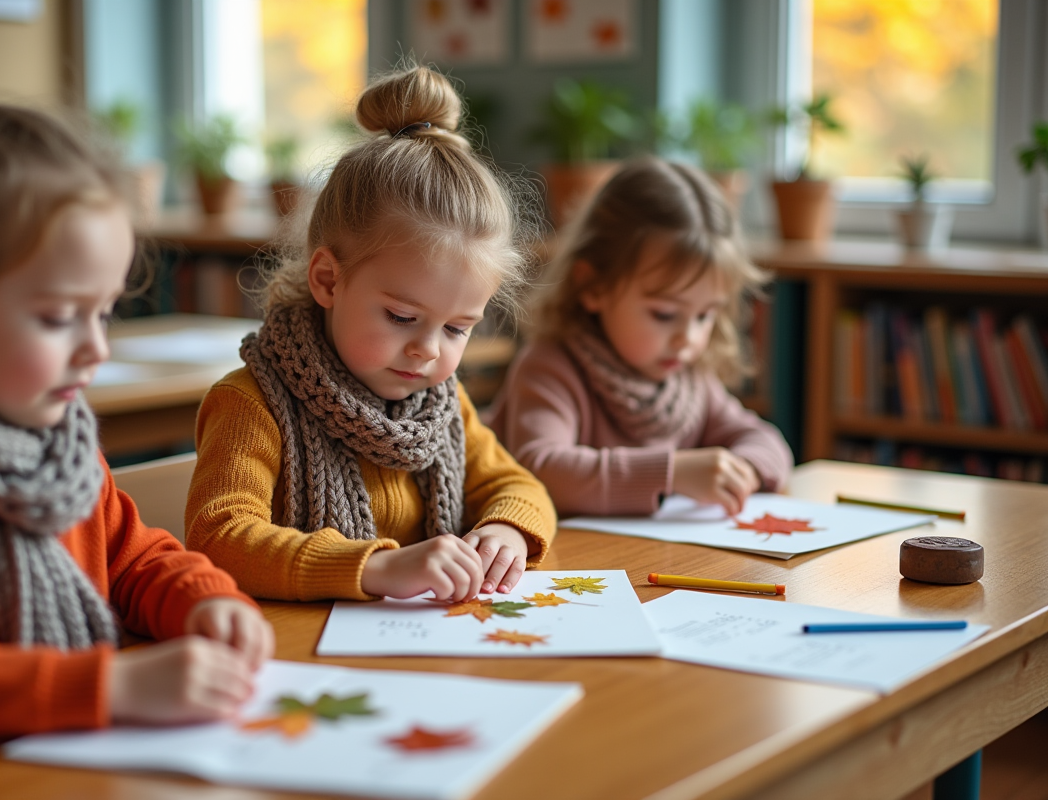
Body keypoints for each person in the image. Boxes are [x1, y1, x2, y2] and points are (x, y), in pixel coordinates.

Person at [0, 103, 273, 744]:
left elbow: (134, 561)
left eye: (103, 313)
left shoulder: (58, 447)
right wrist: (112, 687)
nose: (96, 349)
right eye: (57, 317)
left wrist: (206, 599)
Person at [186, 65, 556, 603]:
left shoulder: (442, 405)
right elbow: (219, 540)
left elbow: (519, 487)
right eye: (402, 318)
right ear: (328, 280)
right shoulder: (252, 404)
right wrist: (374, 568)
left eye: (457, 328)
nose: (428, 350)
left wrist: (506, 531)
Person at [488, 157, 793, 518]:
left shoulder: (689, 381)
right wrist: (672, 473)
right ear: (593, 285)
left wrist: (741, 470)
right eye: (664, 314)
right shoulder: (549, 366)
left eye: (705, 315)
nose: (688, 339)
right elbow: (541, 469)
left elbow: (768, 442)